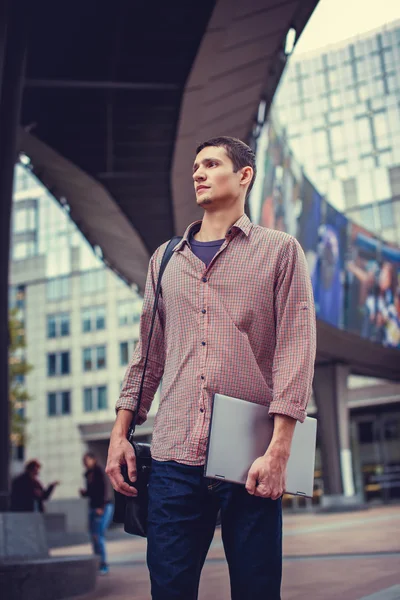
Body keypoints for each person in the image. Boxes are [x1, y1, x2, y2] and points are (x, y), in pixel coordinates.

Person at [106, 136, 316, 599]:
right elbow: (147, 358)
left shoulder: (281, 252)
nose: (198, 172)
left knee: (257, 591)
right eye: (196, 165)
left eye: (212, 164)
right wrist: (120, 434)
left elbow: (296, 352)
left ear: (245, 176)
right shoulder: (164, 261)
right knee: (170, 590)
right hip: (172, 459)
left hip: (249, 460)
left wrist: (280, 450)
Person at [80, 452, 113, 575]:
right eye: (83, 460)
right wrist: (84, 493)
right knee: (93, 536)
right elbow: (92, 492)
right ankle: (97, 562)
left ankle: (103, 564)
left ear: (93, 459)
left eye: (86, 460)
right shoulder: (88, 474)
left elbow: (105, 490)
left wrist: (101, 506)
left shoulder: (100, 471)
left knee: (98, 536)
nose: (84, 463)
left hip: (102, 507)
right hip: (93, 507)